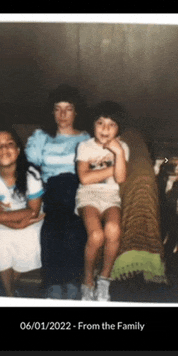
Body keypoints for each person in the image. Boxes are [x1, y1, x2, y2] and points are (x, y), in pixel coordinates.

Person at [25, 84, 90, 299]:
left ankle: (63, 283)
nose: (62, 115)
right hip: (51, 189)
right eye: (57, 108)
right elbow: (23, 164)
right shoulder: (41, 136)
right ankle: (62, 283)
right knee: (62, 223)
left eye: (68, 108)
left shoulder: (86, 138)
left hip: (77, 189)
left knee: (66, 225)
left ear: (76, 111)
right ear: (51, 112)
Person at [0, 125, 45, 297]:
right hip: (5, 219)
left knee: (28, 240)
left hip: (30, 219)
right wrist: (10, 223)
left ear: (19, 151)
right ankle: (9, 292)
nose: (4, 148)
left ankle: (13, 284)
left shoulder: (31, 176)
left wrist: (7, 220)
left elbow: (32, 211)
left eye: (9, 144)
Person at [75, 101, 129, 301]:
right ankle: (88, 279)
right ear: (93, 125)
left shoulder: (122, 147)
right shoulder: (85, 146)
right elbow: (85, 179)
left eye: (112, 124)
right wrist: (113, 169)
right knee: (97, 235)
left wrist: (120, 153)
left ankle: (104, 278)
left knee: (114, 229)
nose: (105, 129)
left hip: (111, 196)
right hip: (88, 196)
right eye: (100, 123)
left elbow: (121, 179)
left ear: (118, 129)